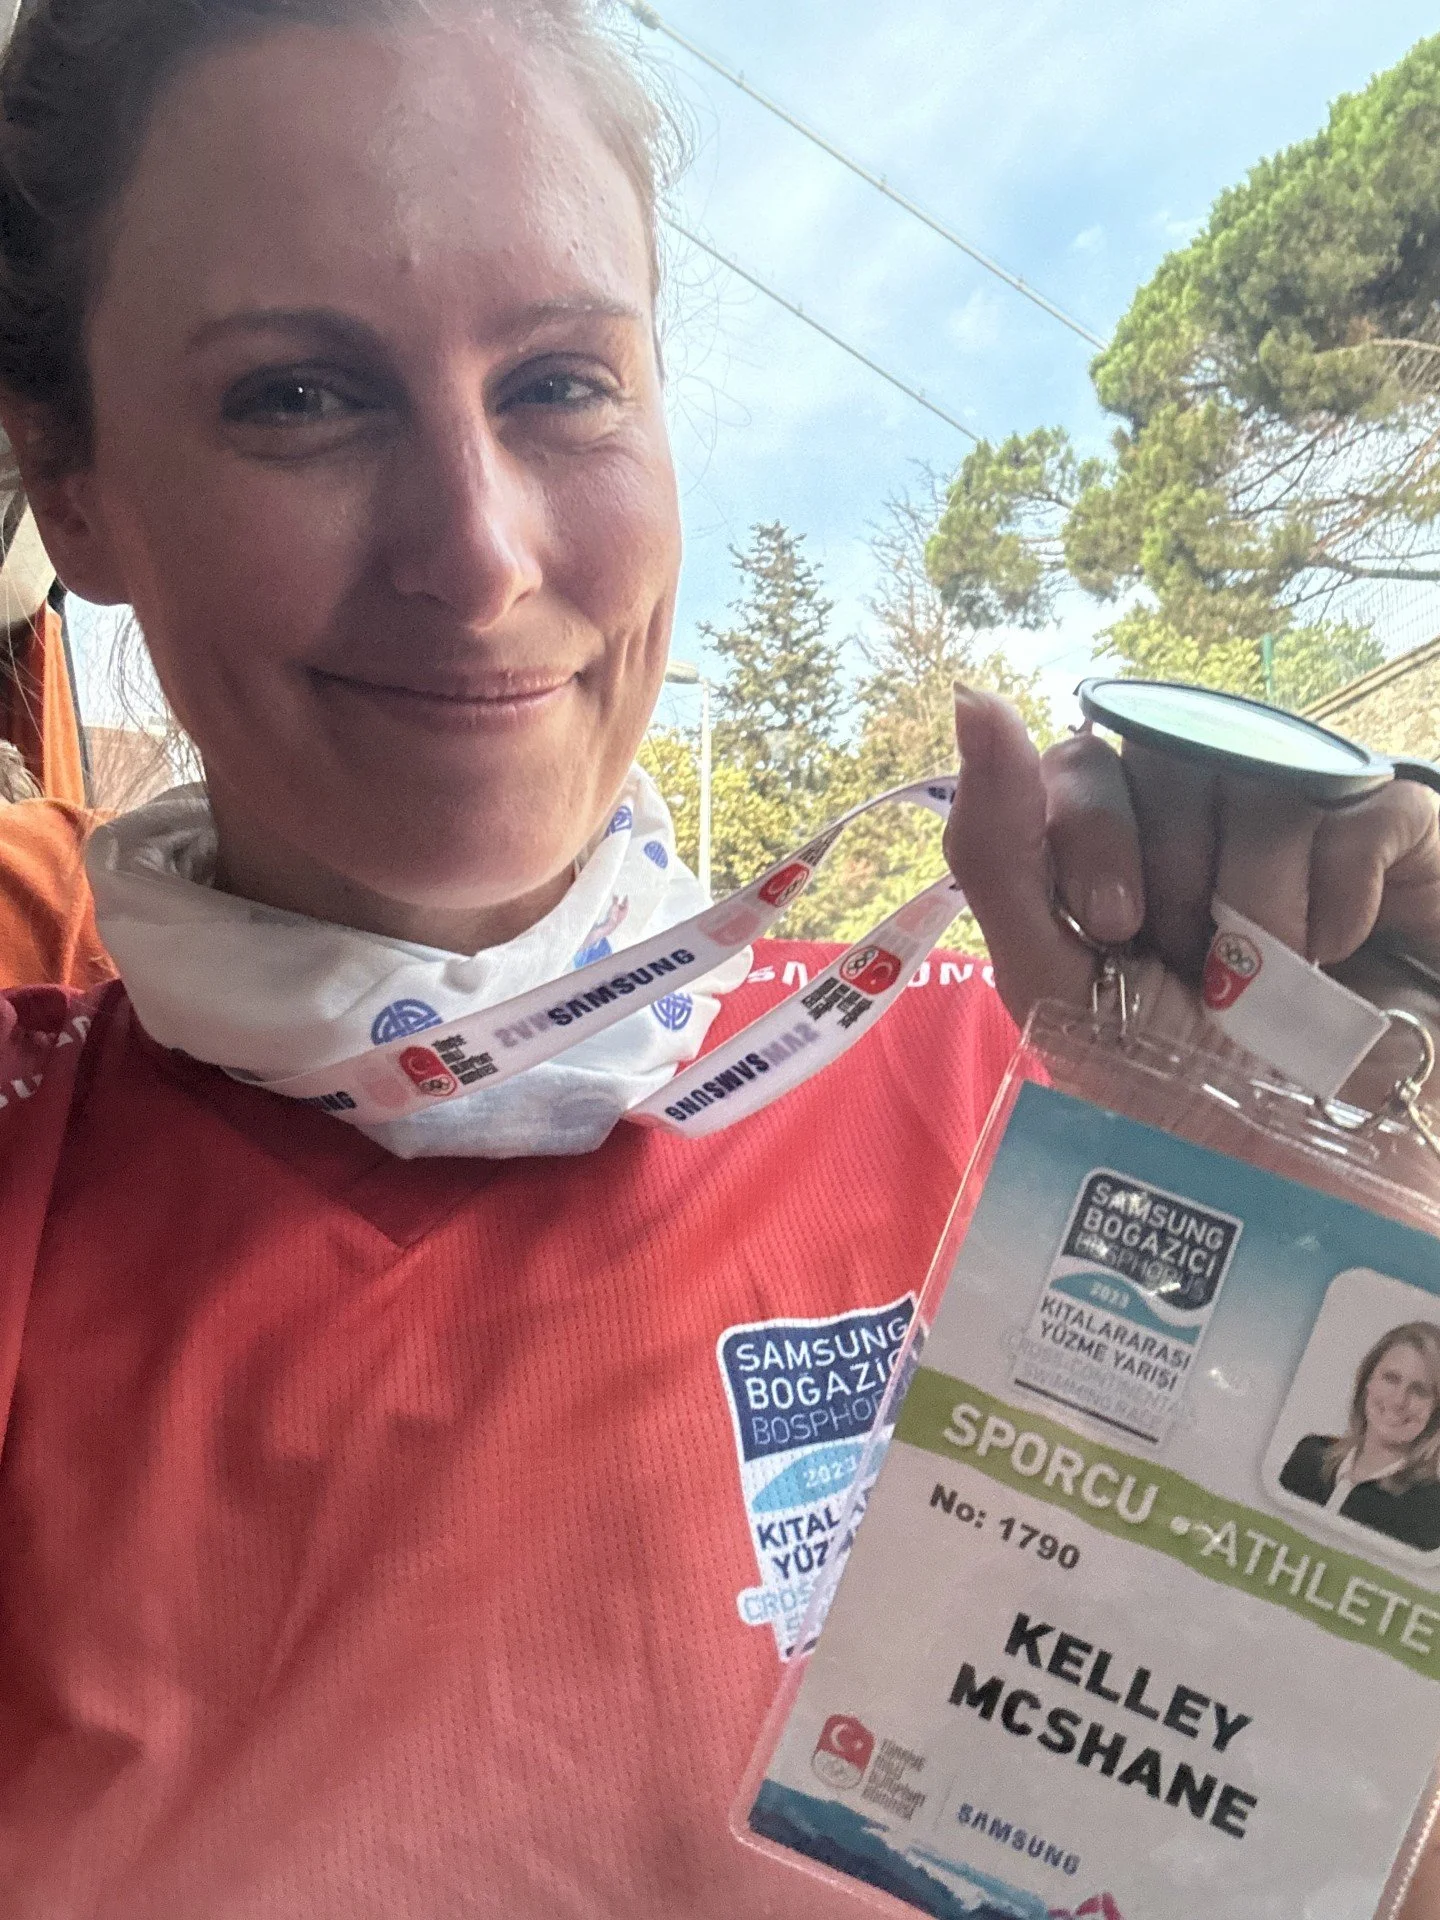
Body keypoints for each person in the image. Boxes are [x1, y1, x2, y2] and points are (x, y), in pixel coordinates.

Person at [1, 2, 1440, 1914]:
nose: (482, 551)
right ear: (75, 488)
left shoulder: (1055, 1101)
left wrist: (1364, 1188)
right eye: (296, 396)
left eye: (562, 384)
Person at [1280, 1322, 1440, 1553]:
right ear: (1367, 1381)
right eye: (1391, 1379)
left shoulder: (1431, 1508)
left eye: (1419, 1391)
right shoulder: (1309, 1456)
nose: (1398, 1401)